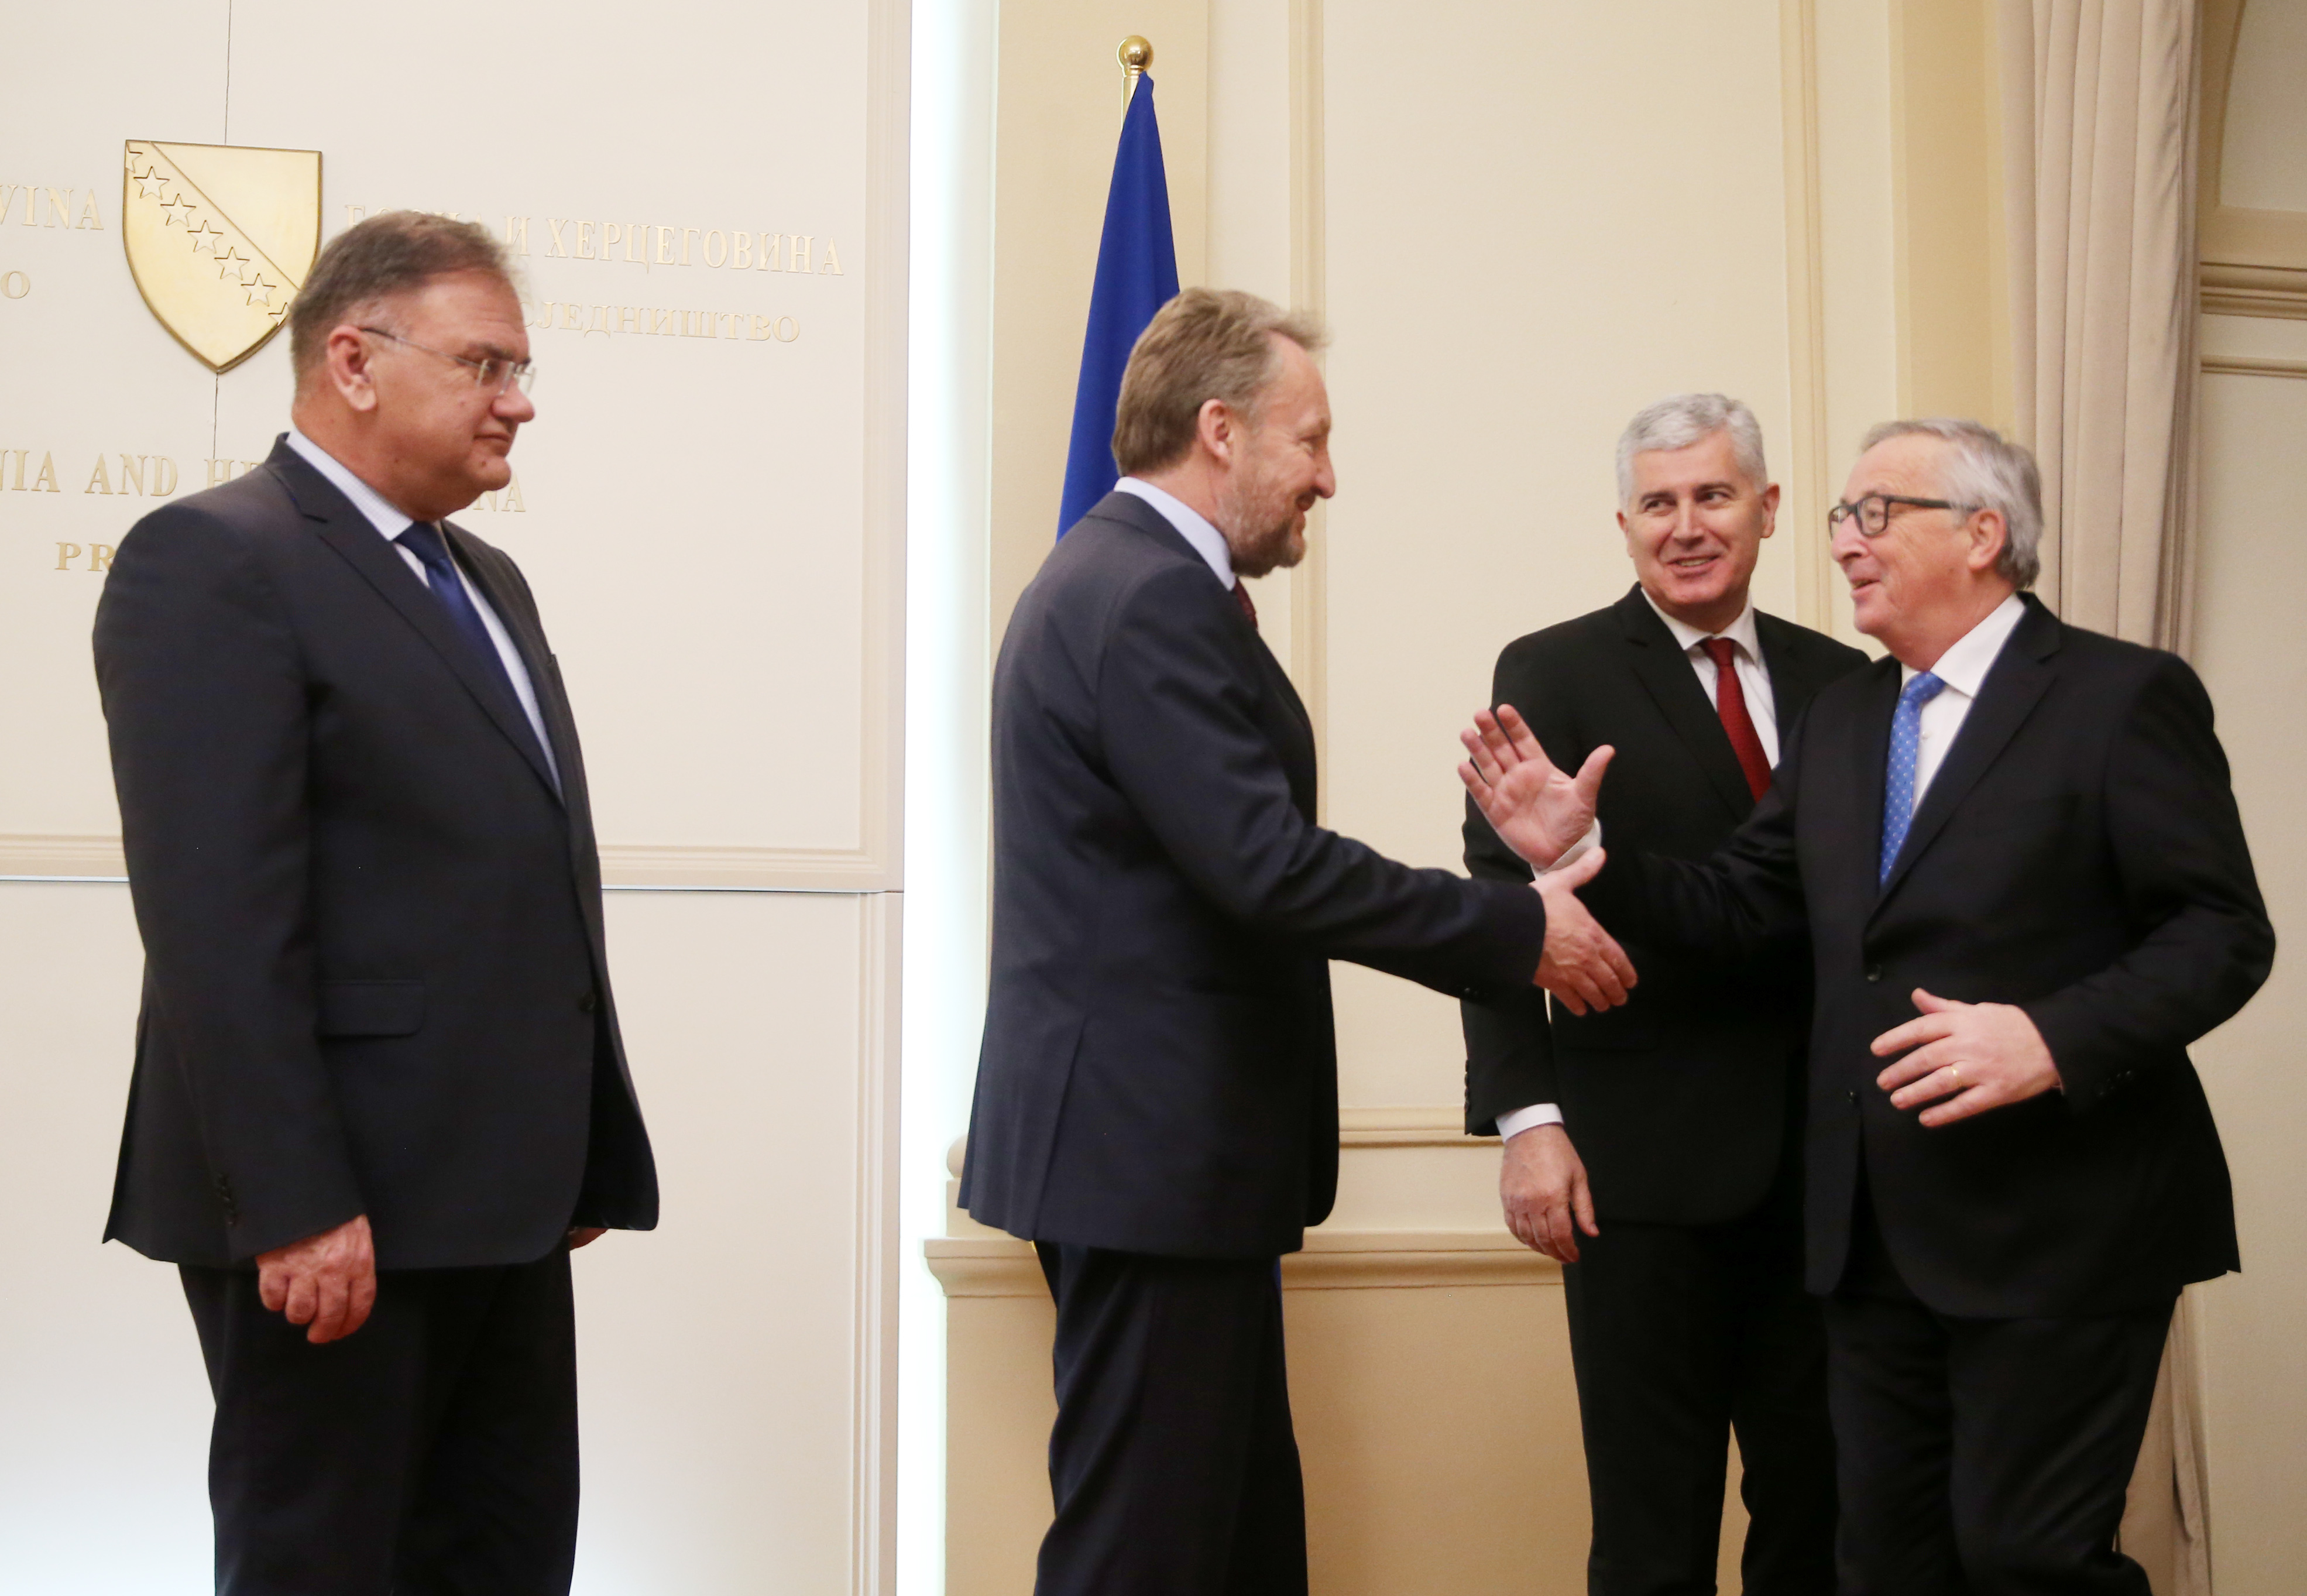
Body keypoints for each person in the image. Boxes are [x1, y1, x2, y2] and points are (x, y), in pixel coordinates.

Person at [1462, 418, 2274, 1596]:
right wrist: (1585, 847)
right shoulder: (1851, 716)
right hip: (1869, 1240)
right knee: (1882, 1563)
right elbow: (1741, 901)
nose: (1845, 543)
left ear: (1984, 533)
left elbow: (2223, 933)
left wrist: (2050, 1037)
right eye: (1844, 517)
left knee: (2025, 1556)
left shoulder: (2120, 695)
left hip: (2061, 1222)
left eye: (1874, 514)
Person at [960, 286, 1637, 1596]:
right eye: (1311, 438)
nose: (1328, 475)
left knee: (1229, 1535)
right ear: (1220, 429)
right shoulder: (1145, 594)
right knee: (1148, 1551)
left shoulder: (1129, 577)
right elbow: (1263, 863)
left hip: (1162, 1156)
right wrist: (1518, 929)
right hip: (1147, 1154)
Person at [93, 211, 658, 1596]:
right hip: (335, 1215)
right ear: (353, 358)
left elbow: (511, 880)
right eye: (485, 364)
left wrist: (577, 1140)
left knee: (503, 1555)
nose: (518, 400)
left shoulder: (489, 580)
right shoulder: (211, 559)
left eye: (521, 369)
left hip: (502, 1201)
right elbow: (219, 921)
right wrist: (293, 1202)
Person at [1462, 394, 1863, 1595]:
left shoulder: (1849, 683)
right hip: (1636, 1174)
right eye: (1660, 502)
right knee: (1652, 1530)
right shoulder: (1555, 669)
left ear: (1767, 509)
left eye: (1714, 495)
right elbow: (1497, 914)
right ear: (1626, 525)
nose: (1687, 525)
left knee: (1826, 1514)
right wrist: (1528, 1127)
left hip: (1829, 1182)